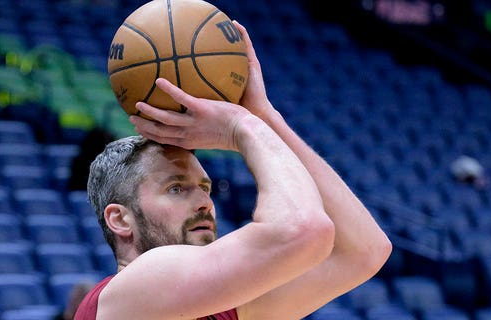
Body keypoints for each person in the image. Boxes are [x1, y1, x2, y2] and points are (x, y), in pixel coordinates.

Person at [75, 21, 392, 320]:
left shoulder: (223, 309)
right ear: (120, 218)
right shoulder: (130, 293)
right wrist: (241, 124)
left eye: (205, 188)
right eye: (176, 188)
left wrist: (263, 114)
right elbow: (305, 228)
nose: (204, 203)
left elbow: (366, 250)